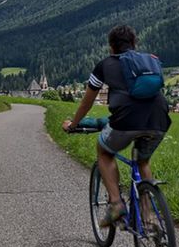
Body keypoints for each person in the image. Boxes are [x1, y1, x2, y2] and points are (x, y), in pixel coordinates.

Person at [62, 25, 171, 227]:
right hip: (159, 118)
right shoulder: (149, 61)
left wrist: (73, 124)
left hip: (126, 120)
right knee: (143, 162)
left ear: (111, 47)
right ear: (134, 43)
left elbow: (87, 102)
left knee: (104, 151)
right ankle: (149, 219)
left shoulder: (105, 65)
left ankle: (116, 204)